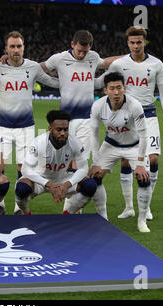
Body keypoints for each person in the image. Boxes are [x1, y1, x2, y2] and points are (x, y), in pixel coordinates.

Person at [39, 30, 121, 214]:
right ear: (72, 44)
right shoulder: (59, 59)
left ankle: (73, 210)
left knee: (80, 164)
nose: (82, 55)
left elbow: (105, 62)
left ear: (90, 47)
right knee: (69, 166)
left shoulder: (93, 57)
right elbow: (39, 68)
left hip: (87, 120)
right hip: (65, 123)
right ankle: (75, 209)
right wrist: (17, 65)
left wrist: (129, 57)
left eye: (86, 51)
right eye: (79, 51)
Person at [94, 26, 163, 220]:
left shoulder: (156, 64)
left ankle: (147, 205)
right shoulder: (119, 64)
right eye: (132, 42)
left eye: (139, 42)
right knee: (127, 159)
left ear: (145, 42)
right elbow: (101, 83)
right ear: (127, 43)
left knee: (152, 159)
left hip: (149, 114)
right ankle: (129, 207)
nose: (136, 46)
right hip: (126, 116)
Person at [0, 31, 60, 215]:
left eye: (19, 46)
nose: (16, 50)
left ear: (24, 48)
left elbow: (51, 82)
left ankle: (19, 206)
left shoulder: (33, 67)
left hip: (26, 126)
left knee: (23, 168)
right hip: (3, 126)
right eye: (12, 46)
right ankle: (0, 205)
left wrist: (73, 78)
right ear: (6, 49)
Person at [88, 72, 152, 233]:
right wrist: (95, 163)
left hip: (134, 146)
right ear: (105, 90)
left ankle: (142, 220)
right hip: (111, 144)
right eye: (112, 88)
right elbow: (93, 135)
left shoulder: (134, 105)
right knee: (95, 176)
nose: (116, 92)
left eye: (119, 88)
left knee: (144, 177)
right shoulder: (98, 106)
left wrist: (139, 163)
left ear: (124, 88)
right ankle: (103, 218)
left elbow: (144, 135)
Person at [15, 110, 97, 216]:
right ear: (50, 129)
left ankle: (69, 213)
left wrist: (68, 184)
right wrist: (49, 184)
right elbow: (25, 169)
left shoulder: (75, 142)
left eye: (65, 129)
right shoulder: (38, 142)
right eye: (59, 130)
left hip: (63, 180)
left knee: (90, 185)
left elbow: (83, 169)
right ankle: (26, 214)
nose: (63, 133)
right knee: (22, 188)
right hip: (40, 180)